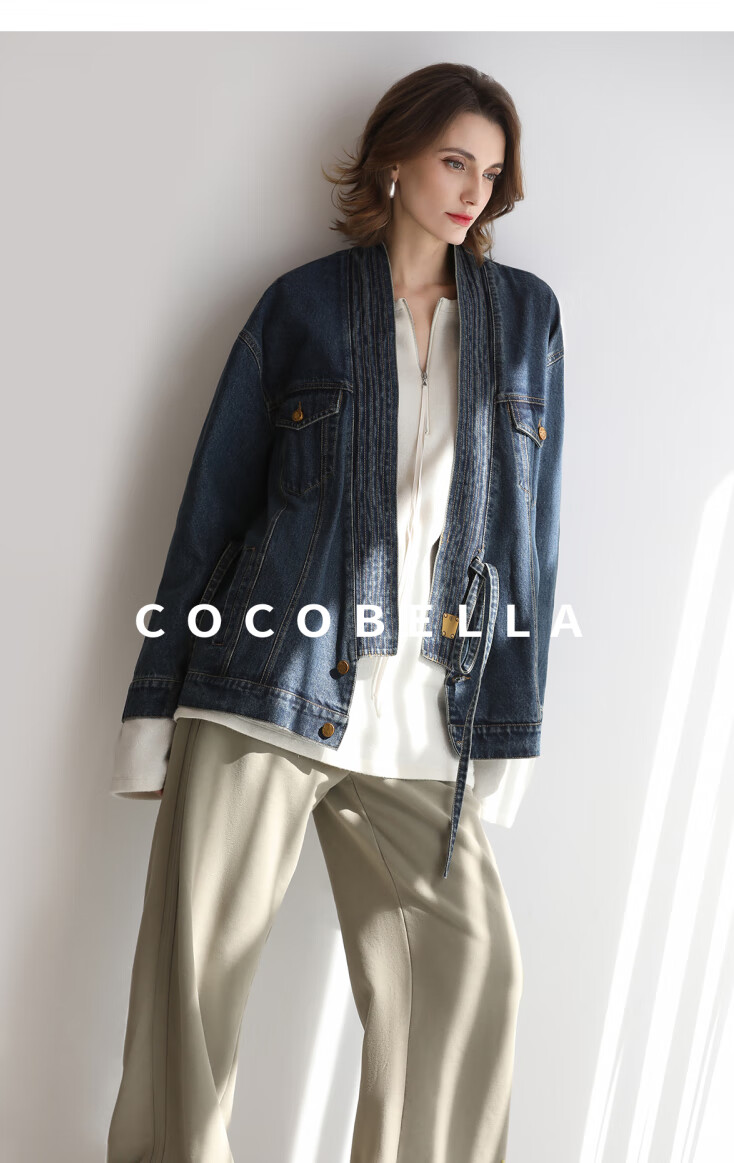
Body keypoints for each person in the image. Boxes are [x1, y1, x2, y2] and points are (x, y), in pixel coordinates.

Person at [107, 61, 565, 1163]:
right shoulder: (301, 306)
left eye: (491, 172)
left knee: (471, 977)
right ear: (395, 157)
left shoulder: (525, 319)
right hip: (264, 687)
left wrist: (509, 725)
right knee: (192, 1001)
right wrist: (153, 704)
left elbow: (531, 542)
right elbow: (214, 508)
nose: (472, 191)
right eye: (454, 160)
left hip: (423, 719)